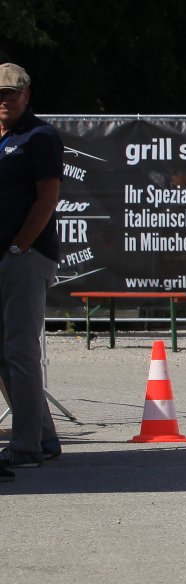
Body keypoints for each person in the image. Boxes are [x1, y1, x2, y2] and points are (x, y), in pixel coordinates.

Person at [0, 64, 63, 472]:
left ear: (26, 93)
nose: (4, 100)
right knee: (4, 353)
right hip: (4, 256)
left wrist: (19, 246)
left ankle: (25, 447)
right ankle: (43, 436)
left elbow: (48, 199)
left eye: (11, 92)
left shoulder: (40, 136)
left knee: (20, 350)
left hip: (25, 256)